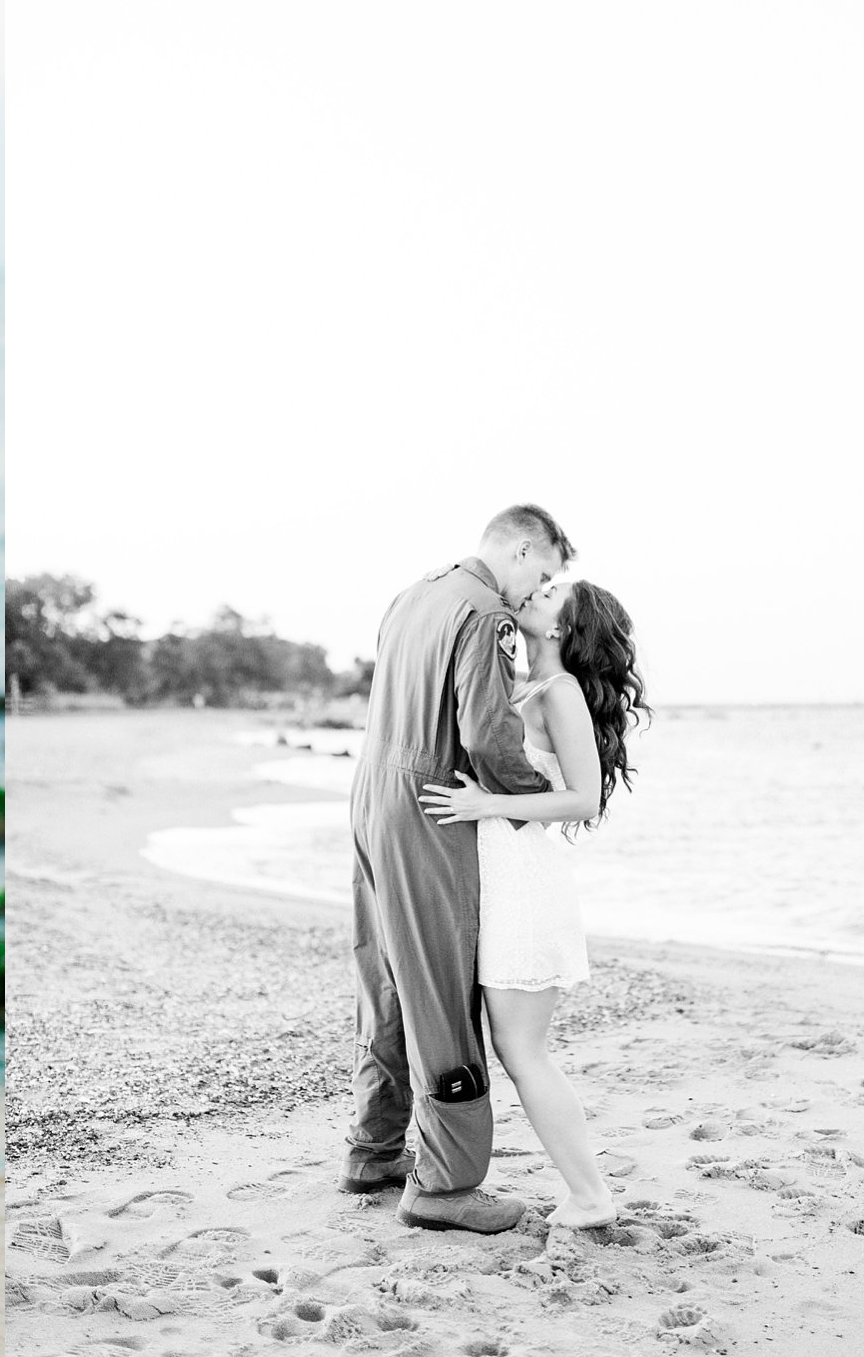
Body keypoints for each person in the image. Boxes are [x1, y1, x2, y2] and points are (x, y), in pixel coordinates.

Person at [337, 504, 567, 1233]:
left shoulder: (414, 595)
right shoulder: (486, 613)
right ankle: (446, 1183)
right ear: (524, 548)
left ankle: (373, 1149)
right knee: (438, 989)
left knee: (386, 982)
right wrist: (542, 802)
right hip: (428, 807)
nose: (539, 590)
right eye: (545, 572)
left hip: (371, 796)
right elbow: (488, 732)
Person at [418, 578, 651, 1228]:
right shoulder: (517, 687)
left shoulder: (561, 692)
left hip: (525, 885)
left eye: (551, 593)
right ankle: (584, 1188)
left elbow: (582, 800)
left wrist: (486, 803)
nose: (535, 592)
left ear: (562, 626)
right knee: (513, 1048)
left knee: (522, 1050)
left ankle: (590, 1193)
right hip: (497, 882)